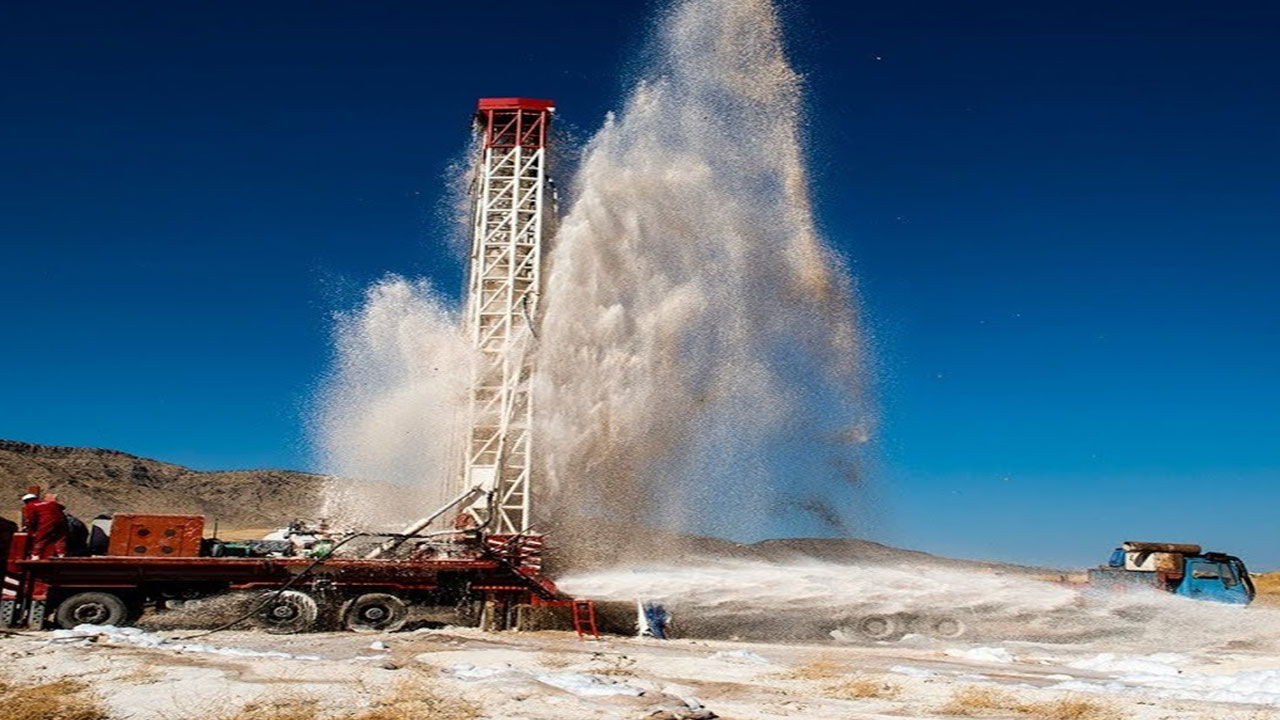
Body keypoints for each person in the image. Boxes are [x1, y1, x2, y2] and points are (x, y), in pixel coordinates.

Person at [21, 493, 69, 559]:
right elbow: (62, 507)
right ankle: (61, 555)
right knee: (60, 537)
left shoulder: (29, 506)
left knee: (41, 537)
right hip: (62, 520)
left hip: (47, 521)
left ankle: (35, 555)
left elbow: (31, 519)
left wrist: (30, 528)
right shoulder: (50, 503)